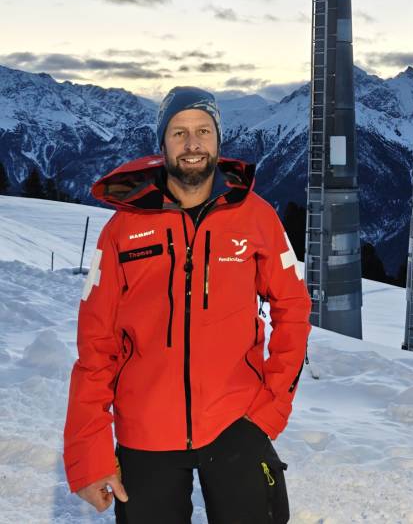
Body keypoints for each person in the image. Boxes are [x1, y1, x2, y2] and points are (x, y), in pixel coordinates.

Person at [63, 86, 312, 523]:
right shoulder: (123, 229)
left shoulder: (257, 218)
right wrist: (89, 453)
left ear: (218, 140)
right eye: (179, 132)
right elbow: (95, 344)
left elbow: (293, 309)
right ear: (162, 144)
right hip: (146, 430)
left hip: (237, 422)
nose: (192, 143)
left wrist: (270, 410)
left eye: (203, 131)